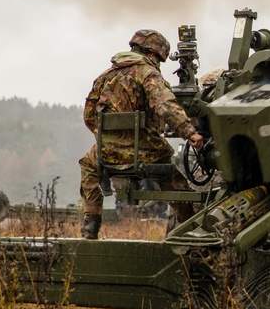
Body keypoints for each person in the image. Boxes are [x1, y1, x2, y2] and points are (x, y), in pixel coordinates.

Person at [78, 29, 204, 239]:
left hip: (107, 153)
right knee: (174, 179)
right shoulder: (148, 74)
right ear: (154, 54)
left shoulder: (105, 76)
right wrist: (190, 133)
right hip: (147, 151)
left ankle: (90, 228)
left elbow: (89, 116)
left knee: (88, 165)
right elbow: (165, 105)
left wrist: (111, 141)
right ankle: (187, 224)